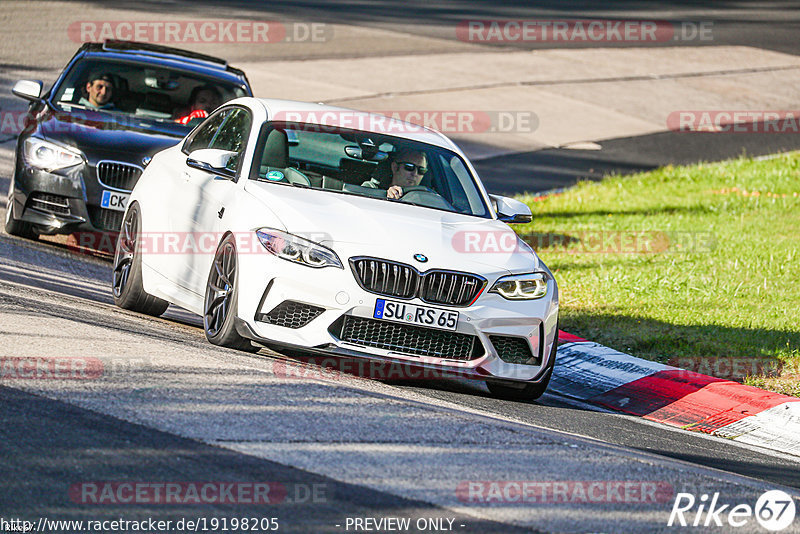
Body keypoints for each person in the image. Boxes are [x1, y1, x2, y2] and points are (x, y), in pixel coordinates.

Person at [362, 148, 428, 199]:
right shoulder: (371, 189)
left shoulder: (428, 199)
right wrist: (386, 195)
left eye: (421, 170)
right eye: (409, 167)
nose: (415, 174)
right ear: (395, 167)